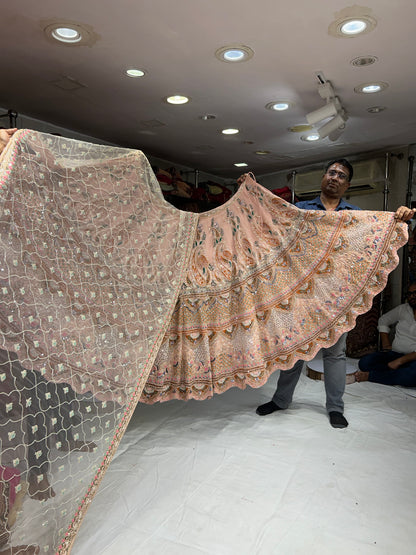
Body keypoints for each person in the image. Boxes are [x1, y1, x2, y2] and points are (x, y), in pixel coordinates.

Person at [248, 159, 415, 428]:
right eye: (331, 172)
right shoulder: (301, 210)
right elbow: (273, 220)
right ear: (324, 177)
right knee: (295, 351)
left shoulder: (355, 216)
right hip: (302, 294)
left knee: (335, 354)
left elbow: (377, 233)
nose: (335, 177)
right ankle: (280, 400)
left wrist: (398, 217)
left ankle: (335, 408)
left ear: (347, 185)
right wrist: (253, 193)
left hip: (338, 298)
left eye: (341, 175)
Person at [354, 282, 416, 386]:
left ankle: (372, 376)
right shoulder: (403, 309)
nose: (412, 296)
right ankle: (395, 374)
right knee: (365, 363)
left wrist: (399, 361)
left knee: (411, 375)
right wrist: (386, 344)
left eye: (415, 293)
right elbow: (383, 320)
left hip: (412, 359)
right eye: (409, 294)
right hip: (395, 354)